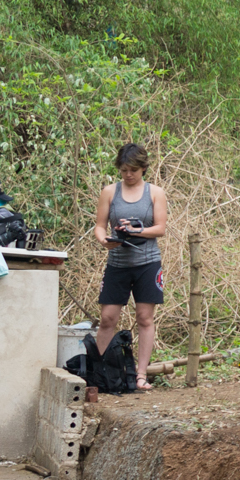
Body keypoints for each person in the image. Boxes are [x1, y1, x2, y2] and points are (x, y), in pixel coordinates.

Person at [93, 143, 168, 392]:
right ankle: (102, 373)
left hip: (147, 262)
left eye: (133, 170)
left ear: (144, 168)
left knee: (145, 318)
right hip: (117, 262)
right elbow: (100, 226)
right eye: (124, 170)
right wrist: (105, 240)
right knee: (107, 318)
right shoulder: (109, 192)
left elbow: (160, 228)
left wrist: (138, 231)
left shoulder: (155, 192)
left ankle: (141, 375)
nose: (128, 175)